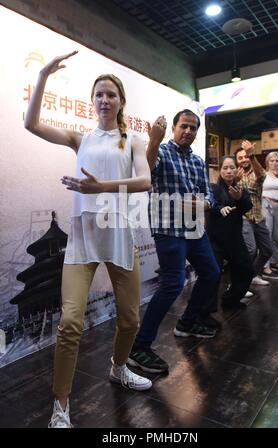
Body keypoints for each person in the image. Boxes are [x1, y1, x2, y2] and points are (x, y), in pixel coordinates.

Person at [24, 51, 152, 428]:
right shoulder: (80, 137)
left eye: (111, 94)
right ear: (92, 101)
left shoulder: (133, 141)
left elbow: (145, 181)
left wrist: (101, 187)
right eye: (98, 94)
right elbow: (31, 124)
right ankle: (60, 407)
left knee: (129, 320)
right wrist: (44, 75)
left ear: (120, 101)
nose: (104, 100)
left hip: (119, 235)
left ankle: (118, 368)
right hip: (83, 238)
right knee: (70, 323)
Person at [127, 109, 220, 374]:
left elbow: (208, 195)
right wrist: (154, 140)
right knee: (173, 283)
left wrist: (203, 204)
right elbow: (146, 174)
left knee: (212, 273)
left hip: (193, 228)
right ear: (175, 127)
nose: (188, 132)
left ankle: (188, 322)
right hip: (168, 228)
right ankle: (139, 347)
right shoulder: (162, 151)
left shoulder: (198, 161)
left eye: (193, 128)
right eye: (184, 126)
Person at [207, 156, 255, 309]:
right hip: (215, 239)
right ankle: (207, 312)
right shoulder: (213, 188)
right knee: (213, 275)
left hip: (235, 238)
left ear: (237, 169)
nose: (229, 171)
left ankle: (230, 300)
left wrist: (239, 198)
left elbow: (247, 206)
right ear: (220, 170)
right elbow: (209, 204)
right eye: (225, 168)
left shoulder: (241, 190)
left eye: (232, 167)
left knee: (246, 271)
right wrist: (220, 208)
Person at [235, 141, 278, 285]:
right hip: (243, 218)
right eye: (240, 158)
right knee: (251, 250)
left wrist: (251, 155)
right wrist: (235, 181)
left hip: (258, 217)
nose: (244, 159)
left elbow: (261, 175)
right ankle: (238, 282)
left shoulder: (256, 172)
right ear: (236, 160)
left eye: (245, 156)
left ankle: (252, 275)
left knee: (268, 250)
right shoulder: (234, 174)